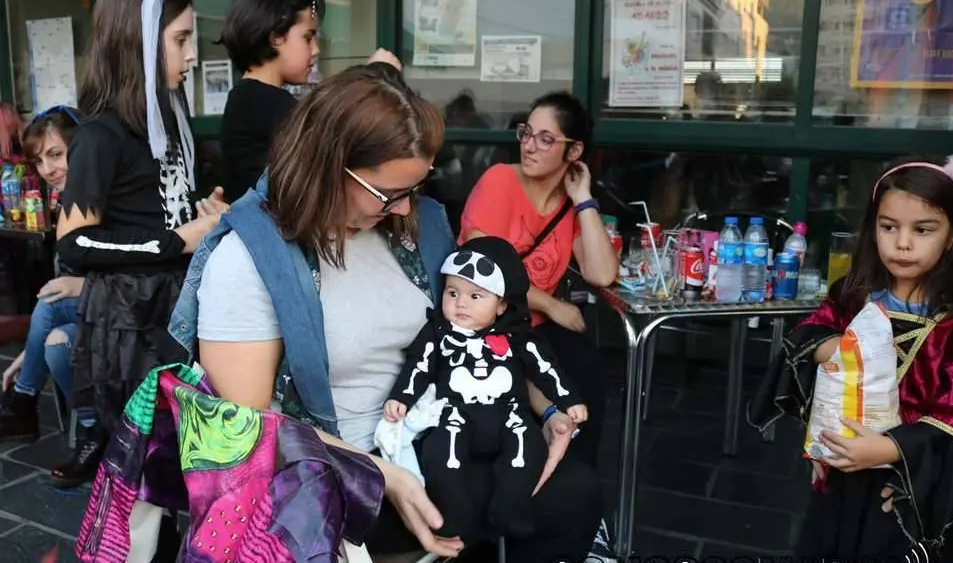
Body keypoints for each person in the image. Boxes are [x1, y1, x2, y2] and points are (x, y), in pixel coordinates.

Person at [167, 64, 601, 562]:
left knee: (575, 488)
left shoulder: (416, 229)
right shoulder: (248, 259)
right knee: (552, 502)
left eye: (414, 190)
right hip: (333, 468)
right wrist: (381, 474)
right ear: (328, 168)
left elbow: (478, 332)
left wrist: (548, 409)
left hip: (435, 433)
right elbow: (247, 427)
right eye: (389, 194)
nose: (404, 209)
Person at [52, 0, 222, 489]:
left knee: (184, 457)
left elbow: (162, 204)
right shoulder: (99, 136)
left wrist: (200, 212)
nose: (192, 55)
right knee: (144, 465)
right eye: (181, 40)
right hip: (129, 322)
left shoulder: (171, 115)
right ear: (138, 44)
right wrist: (176, 240)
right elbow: (73, 242)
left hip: (177, 303)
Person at [750, 156, 953, 560]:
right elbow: (810, 333)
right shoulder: (855, 294)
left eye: (923, 230)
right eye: (889, 227)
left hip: (906, 484)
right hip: (843, 465)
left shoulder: (952, 321)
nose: (902, 243)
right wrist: (835, 348)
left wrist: (892, 450)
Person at [459, 91, 618, 560]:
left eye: (546, 138)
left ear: (574, 150)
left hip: (532, 332)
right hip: (485, 327)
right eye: (526, 133)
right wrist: (554, 304)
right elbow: (485, 265)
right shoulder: (498, 181)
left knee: (586, 373)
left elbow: (602, 273)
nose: (529, 145)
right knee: (540, 376)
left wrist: (584, 199)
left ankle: (579, 506)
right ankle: (527, 506)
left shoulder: (569, 206)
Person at [383, 235, 588, 544]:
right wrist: (402, 397)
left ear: (502, 304)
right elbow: (419, 366)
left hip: (510, 414)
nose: (460, 303)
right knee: (442, 457)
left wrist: (569, 400)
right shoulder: (438, 332)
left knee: (528, 448)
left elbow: (545, 368)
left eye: (475, 296)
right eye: (452, 293)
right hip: (456, 415)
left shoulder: (517, 336)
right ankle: (452, 518)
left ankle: (509, 509)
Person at [0, 107, 98, 447]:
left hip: (125, 310)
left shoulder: (104, 198)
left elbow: (132, 277)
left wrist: (84, 285)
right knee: (55, 342)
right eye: (39, 161)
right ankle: (93, 432)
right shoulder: (71, 200)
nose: (47, 170)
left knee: (48, 302)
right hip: (88, 312)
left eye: (56, 155)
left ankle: (23, 402)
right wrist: (32, 351)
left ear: (84, 148)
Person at [218, 0, 401, 201]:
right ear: (275, 37)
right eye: (308, 37)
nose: (316, 50)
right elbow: (337, 132)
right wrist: (377, 75)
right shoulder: (259, 101)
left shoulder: (252, 98)